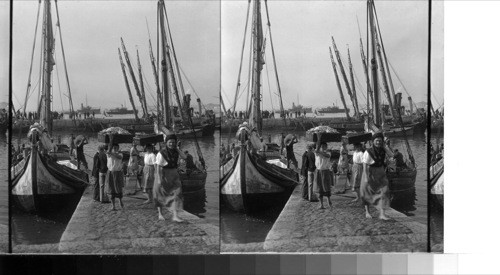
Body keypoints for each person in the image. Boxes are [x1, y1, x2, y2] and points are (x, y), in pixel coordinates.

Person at [154, 134, 186, 222]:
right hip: (163, 173)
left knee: (177, 193)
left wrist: (177, 149)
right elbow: (158, 166)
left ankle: (175, 215)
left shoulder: (176, 151)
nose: (172, 144)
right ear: (166, 143)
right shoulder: (162, 153)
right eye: (170, 142)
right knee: (160, 194)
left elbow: (184, 157)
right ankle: (160, 214)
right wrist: (159, 179)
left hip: (174, 173)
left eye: (173, 142)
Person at [360, 132, 390, 220]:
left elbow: (392, 155)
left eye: (380, 141)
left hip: (380, 172)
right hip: (370, 172)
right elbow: (365, 165)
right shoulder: (368, 152)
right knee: (367, 192)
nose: (378, 143)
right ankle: (367, 212)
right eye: (377, 141)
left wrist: (385, 147)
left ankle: (382, 214)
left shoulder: (383, 149)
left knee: (384, 191)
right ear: (373, 141)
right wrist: (366, 177)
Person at [105, 140, 125, 211]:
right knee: (111, 189)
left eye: (116, 147)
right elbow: (108, 152)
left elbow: (119, 157)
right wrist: (111, 140)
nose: (115, 148)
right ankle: (113, 206)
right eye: (114, 147)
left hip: (117, 173)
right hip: (110, 172)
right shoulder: (109, 154)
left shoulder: (120, 154)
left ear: (118, 148)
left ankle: (120, 201)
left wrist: (112, 153)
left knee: (118, 188)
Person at [314, 135, 332, 209]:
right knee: (319, 188)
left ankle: (329, 200)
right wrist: (319, 139)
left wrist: (319, 151)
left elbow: (327, 156)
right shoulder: (317, 153)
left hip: (325, 171)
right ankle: (321, 204)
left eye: (325, 146)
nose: (323, 147)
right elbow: (317, 149)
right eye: (322, 146)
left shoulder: (328, 153)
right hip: (318, 171)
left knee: (326, 187)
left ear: (326, 147)